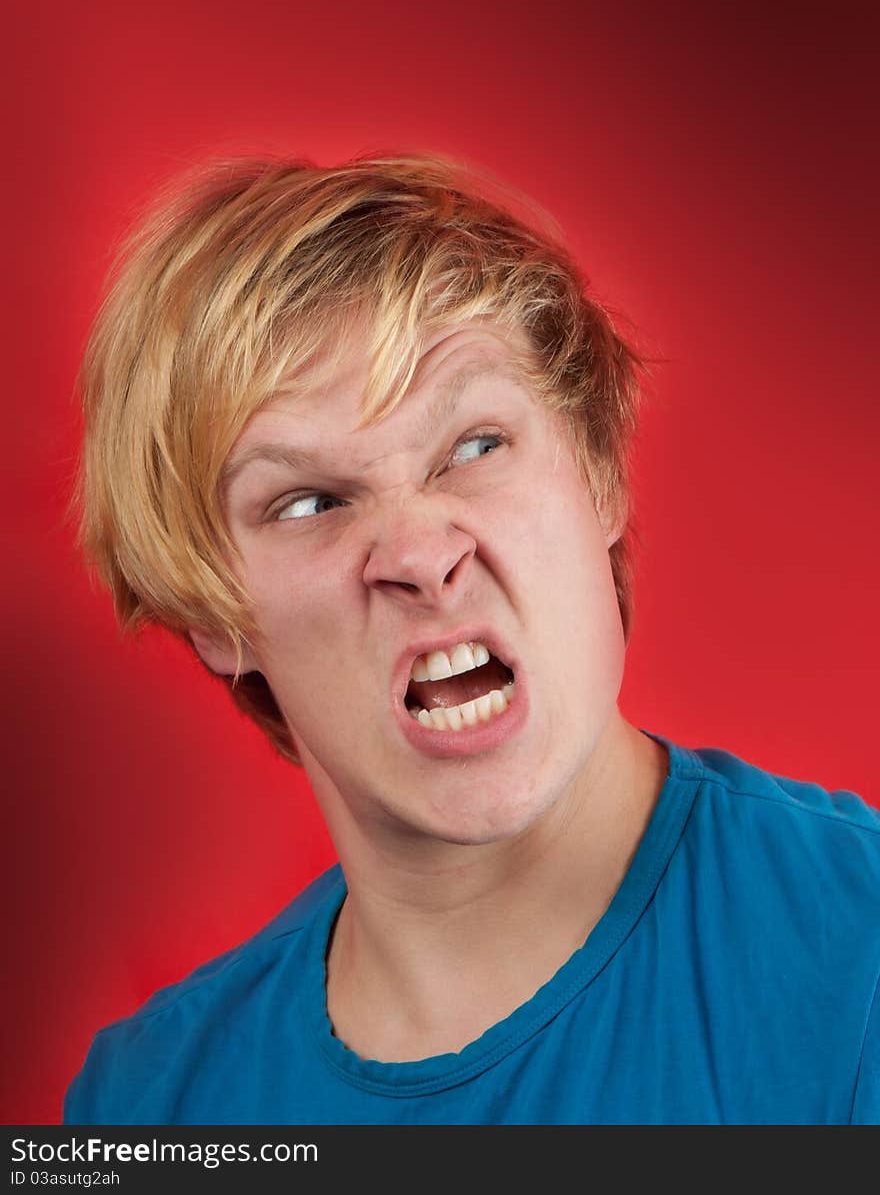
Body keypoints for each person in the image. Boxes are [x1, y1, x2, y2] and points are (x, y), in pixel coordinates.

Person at [64, 152, 879, 1125]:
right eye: (309, 500)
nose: (418, 551)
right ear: (211, 615)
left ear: (600, 477)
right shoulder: (147, 1107)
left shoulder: (855, 948)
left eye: (474, 445)